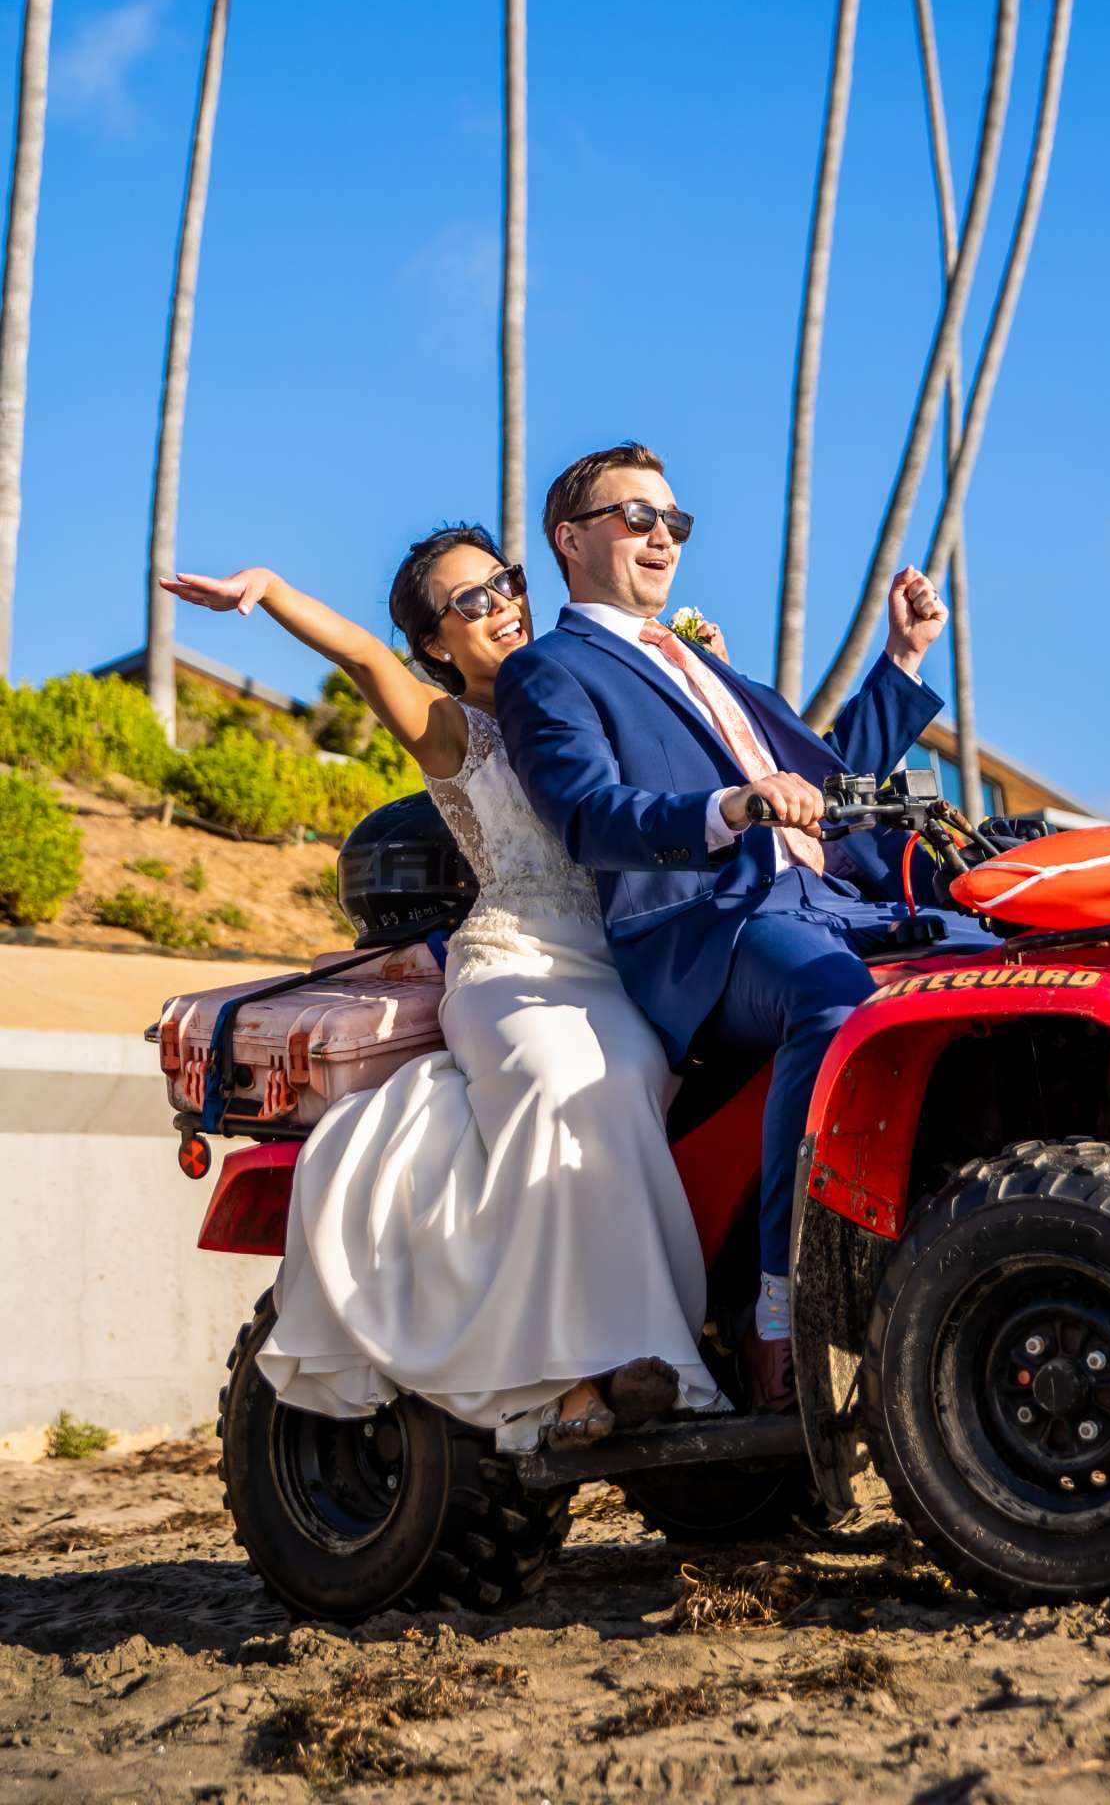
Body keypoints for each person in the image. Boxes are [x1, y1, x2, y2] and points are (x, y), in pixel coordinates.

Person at [161, 529, 723, 1449]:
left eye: (504, 584)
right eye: (471, 601)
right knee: (568, 1085)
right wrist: (268, 586)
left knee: (641, 1081)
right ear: (435, 643)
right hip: (516, 967)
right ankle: (580, 1379)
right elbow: (358, 655)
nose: (502, 604)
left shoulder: (590, 699)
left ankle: (686, 1345)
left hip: (624, 965)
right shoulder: (452, 727)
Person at [495, 444, 973, 1413]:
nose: (662, 535)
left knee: (1002, 971)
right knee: (834, 1004)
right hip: (715, 926)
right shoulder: (550, 670)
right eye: (636, 516)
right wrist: (730, 809)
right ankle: (784, 1311)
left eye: (675, 520)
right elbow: (589, 812)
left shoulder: (706, 664)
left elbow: (829, 782)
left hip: (846, 900)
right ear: (571, 539)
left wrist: (904, 659)